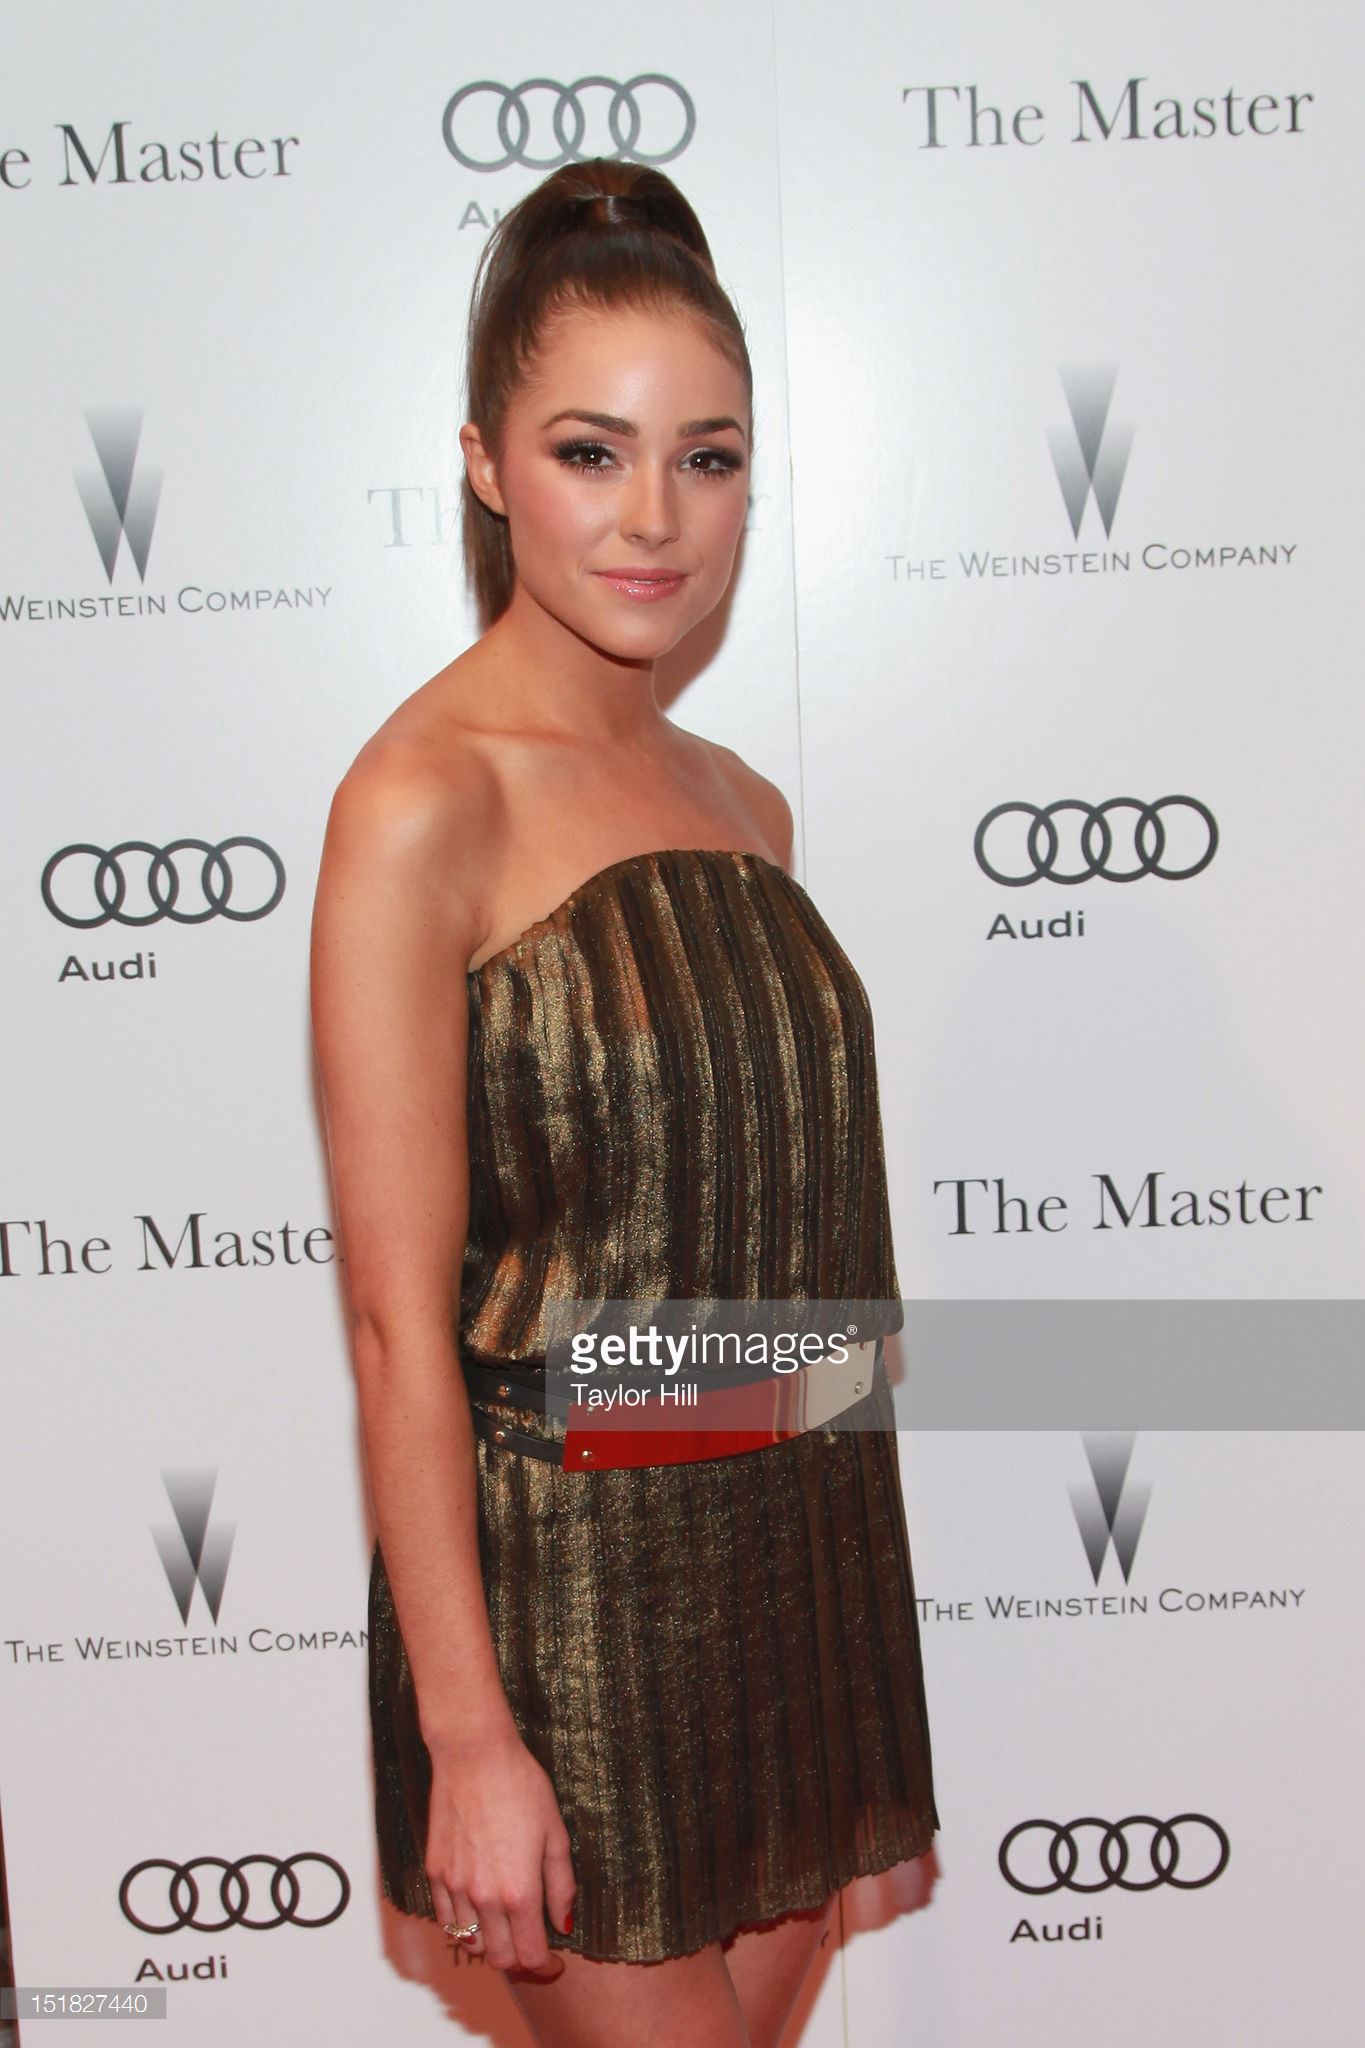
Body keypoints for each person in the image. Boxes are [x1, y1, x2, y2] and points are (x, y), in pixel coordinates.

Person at [309, 156, 938, 2048]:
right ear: (487, 467)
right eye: (591, 452)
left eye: (707, 458)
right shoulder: (421, 805)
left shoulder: (747, 804)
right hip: (568, 1617)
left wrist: (845, 1592)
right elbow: (394, 1326)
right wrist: (468, 1736)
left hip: (799, 1567)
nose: (655, 516)